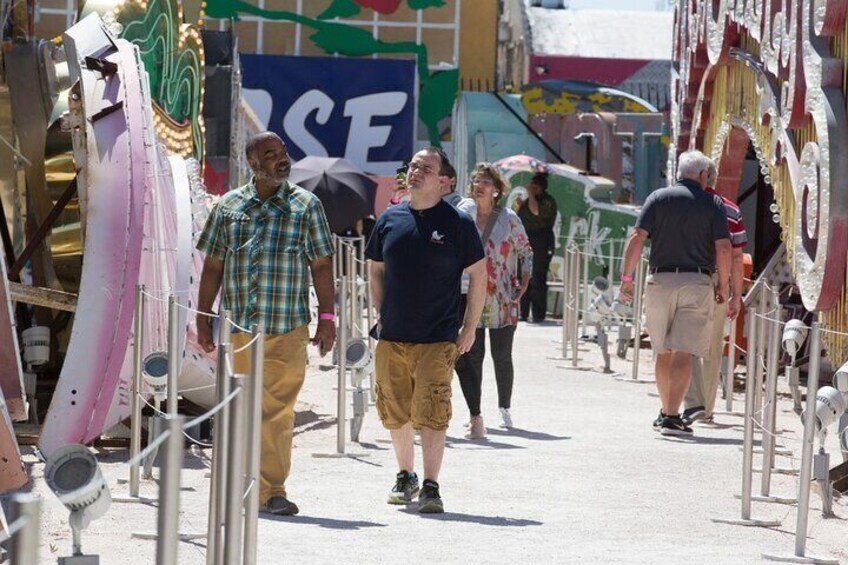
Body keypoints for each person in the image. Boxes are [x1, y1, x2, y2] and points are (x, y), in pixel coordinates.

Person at [196, 131, 336, 516]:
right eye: (271, 154)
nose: (282, 159)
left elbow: (322, 265)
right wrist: (202, 316)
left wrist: (327, 317)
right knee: (242, 407)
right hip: (241, 327)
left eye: (283, 152)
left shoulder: (306, 206)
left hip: (288, 327)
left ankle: (272, 490)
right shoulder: (229, 207)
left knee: (277, 410)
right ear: (254, 164)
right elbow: (212, 266)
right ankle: (243, 483)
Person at [366, 147, 486, 513]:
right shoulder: (389, 219)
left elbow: (479, 275)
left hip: (437, 335)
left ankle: (431, 485)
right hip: (392, 335)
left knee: (433, 409)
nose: (416, 172)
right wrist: (380, 310)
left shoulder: (458, 224)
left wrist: (470, 328)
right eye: (414, 166)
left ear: (444, 181)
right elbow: (375, 268)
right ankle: (406, 474)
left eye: (426, 168)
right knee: (395, 410)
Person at [618, 150, 731, 436]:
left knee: (663, 350)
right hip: (697, 281)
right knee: (684, 351)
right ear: (704, 175)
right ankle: (671, 415)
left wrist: (627, 279)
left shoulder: (657, 198)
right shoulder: (713, 203)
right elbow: (724, 248)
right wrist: (724, 285)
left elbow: (637, 237)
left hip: (660, 280)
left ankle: (665, 411)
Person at [455, 163, 533, 438]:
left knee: (502, 355)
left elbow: (526, 251)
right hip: (470, 294)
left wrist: (524, 283)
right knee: (471, 355)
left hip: (502, 297)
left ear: (497, 189)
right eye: (476, 180)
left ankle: (505, 407)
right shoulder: (464, 214)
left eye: (486, 182)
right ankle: (474, 413)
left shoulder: (509, 218)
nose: (479, 185)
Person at [682, 161, 747, 424]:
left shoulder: (685, 205)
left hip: (688, 276)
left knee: (686, 343)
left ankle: (690, 402)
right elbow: (736, 255)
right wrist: (735, 294)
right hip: (719, 282)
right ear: (713, 178)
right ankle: (706, 409)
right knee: (712, 346)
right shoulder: (731, 209)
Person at [517, 172, 558, 322]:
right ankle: (523, 311)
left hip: (541, 240)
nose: (531, 188)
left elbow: (536, 212)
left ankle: (538, 314)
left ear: (540, 188)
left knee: (538, 277)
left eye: (534, 186)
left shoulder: (547, 201)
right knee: (523, 275)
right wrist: (522, 203)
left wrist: (530, 197)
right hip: (527, 239)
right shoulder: (529, 200)